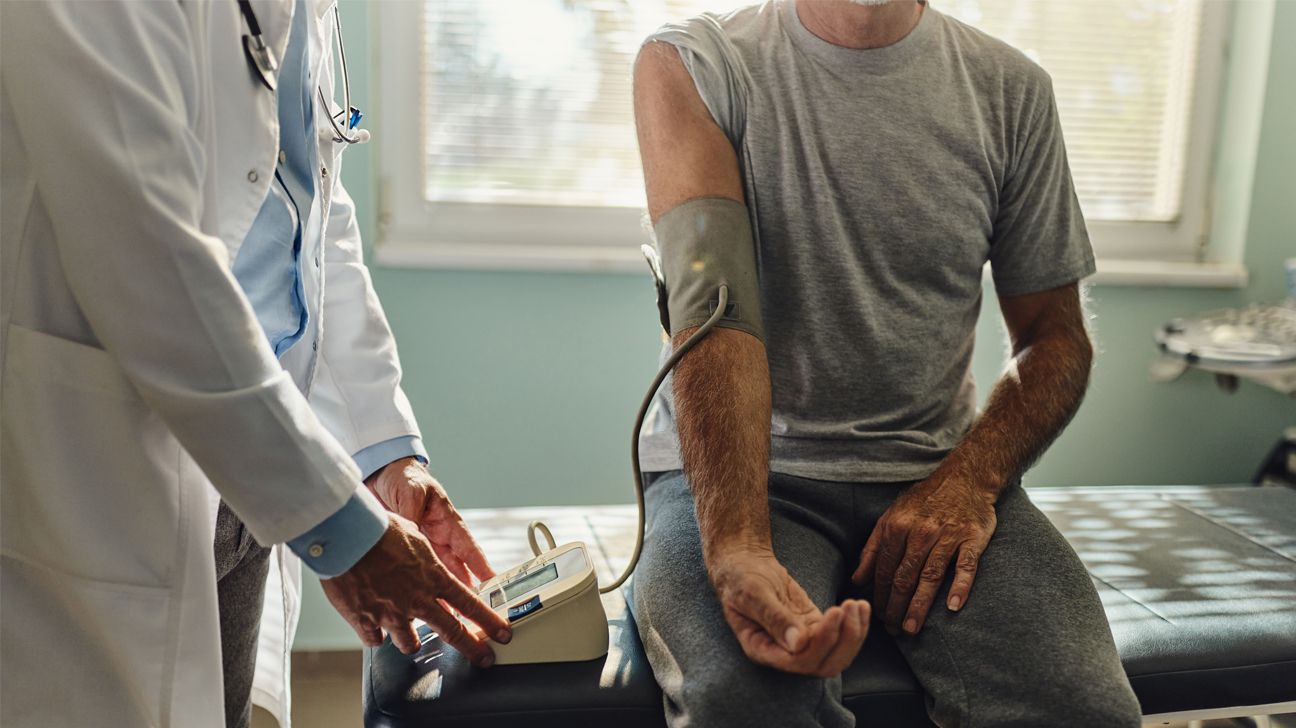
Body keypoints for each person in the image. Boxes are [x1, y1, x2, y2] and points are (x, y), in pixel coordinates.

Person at [630, 1, 1142, 725]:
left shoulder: (1010, 90)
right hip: (745, 478)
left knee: (1083, 709)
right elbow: (717, 314)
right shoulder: (694, 65)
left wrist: (968, 482)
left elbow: (1055, 340)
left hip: (934, 474)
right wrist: (739, 545)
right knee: (747, 703)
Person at [0, 2, 509, 727]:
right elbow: (145, 255)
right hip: (103, 458)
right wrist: (337, 519)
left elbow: (310, 211)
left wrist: (381, 456)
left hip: (252, 478)